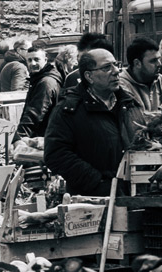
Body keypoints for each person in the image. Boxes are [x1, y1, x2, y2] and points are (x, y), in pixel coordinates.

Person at [43, 48, 135, 196]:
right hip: (92, 203)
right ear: (89, 76)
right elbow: (56, 155)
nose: (116, 71)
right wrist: (98, 182)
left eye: (115, 64)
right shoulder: (68, 109)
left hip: (131, 195)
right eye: (106, 67)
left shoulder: (127, 103)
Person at [118, 35, 162, 140]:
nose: (159, 64)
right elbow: (136, 123)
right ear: (137, 63)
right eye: (153, 61)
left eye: (159, 59)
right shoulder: (121, 86)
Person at [26, 51, 64, 134]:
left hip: (45, 135)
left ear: (45, 60)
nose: (33, 63)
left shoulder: (46, 82)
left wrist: (19, 137)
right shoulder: (38, 78)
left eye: (36, 59)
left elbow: (35, 113)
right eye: (29, 60)